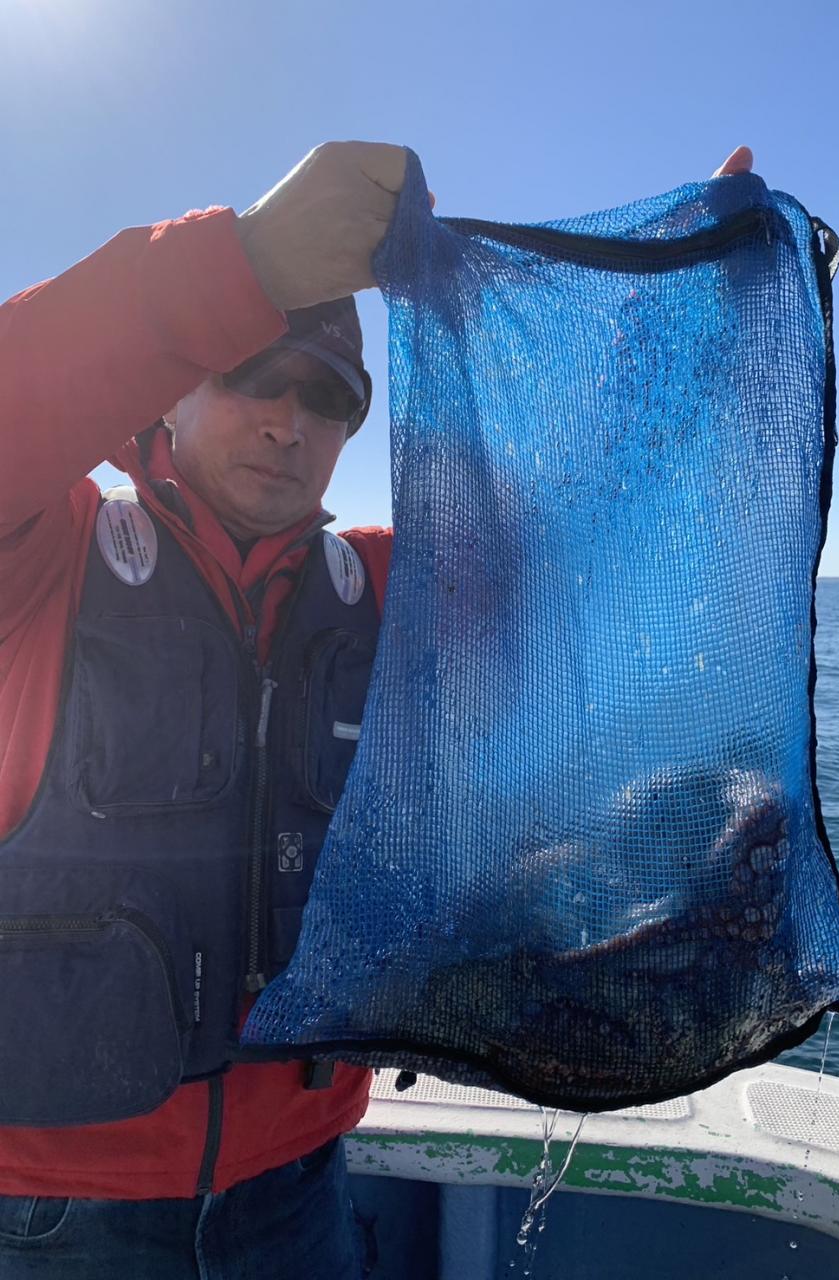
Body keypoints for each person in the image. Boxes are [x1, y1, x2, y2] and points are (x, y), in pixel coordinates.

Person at [0, 142, 753, 1278]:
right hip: (51, 1210)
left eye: (330, 397)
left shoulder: (391, 587)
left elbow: (586, 524)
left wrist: (692, 313)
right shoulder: (43, 548)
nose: (288, 420)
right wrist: (241, 263)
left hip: (297, 1188)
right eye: (254, 372)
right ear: (175, 386)